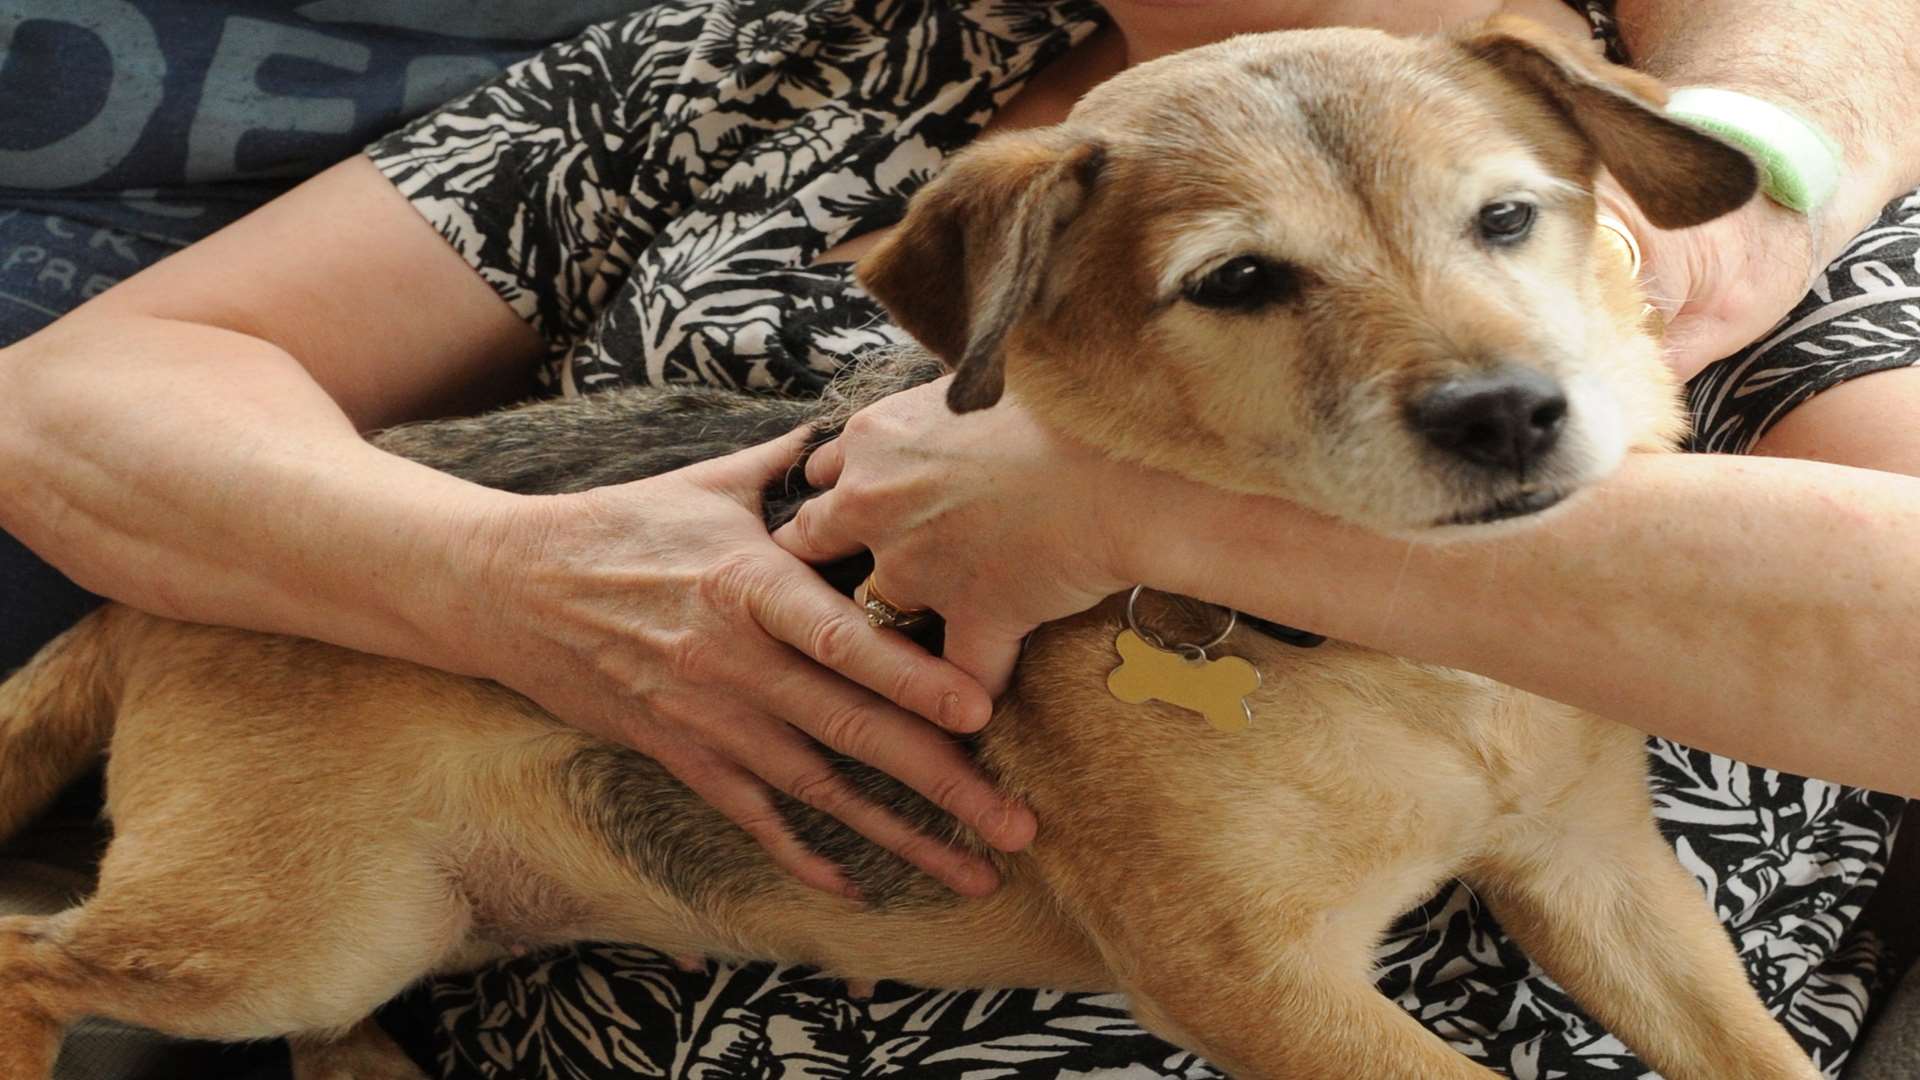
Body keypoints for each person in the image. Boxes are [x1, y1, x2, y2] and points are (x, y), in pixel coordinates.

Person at [0, 0, 1913, 1075]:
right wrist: (496, 581)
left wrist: (1135, 511)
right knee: (273, 967)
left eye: (1509, 231)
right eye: (1245, 281)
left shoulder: (1725, 170)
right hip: (438, 770)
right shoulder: (784, 55)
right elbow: (70, 400)